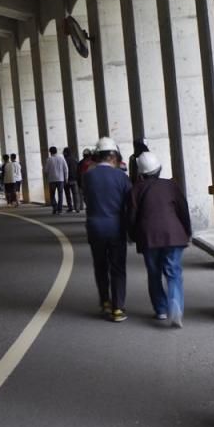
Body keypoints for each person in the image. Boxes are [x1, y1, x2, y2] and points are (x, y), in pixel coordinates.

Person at [127, 151, 192, 328]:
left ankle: (161, 310)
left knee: (154, 273)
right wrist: (187, 231)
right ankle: (175, 306)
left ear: (140, 173)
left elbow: (131, 216)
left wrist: (132, 235)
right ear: (160, 169)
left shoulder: (136, 189)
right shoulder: (171, 186)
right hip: (173, 235)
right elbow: (182, 210)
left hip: (149, 238)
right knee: (174, 272)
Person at [81, 137, 132, 323]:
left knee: (100, 266)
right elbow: (129, 204)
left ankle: (105, 302)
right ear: (113, 156)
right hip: (116, 227)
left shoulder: (88, 176)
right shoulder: (122, 177)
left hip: (95, 227)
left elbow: (87, 198)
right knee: (118, 267)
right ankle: (118, 308)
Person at [44, 146, 68, 214]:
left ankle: (55, 207)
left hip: (52, 180)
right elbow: (66, 168)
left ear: (50, 152)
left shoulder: (49, 159)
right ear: (56, 151)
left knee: (52, 194)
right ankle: (60, 209)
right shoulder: (61, 158)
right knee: (60, 194)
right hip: (60, 179)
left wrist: (46, 177)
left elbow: (46, 170)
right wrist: (66, 178)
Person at [62, 147, 82, 213]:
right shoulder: (75, 160)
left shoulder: (64, 160)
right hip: (74, 179)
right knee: (76, 194)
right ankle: (77, 208)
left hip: (67, 179)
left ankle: (70, 207)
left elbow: (63, 170)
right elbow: (78, 170)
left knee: (68, 194)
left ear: (65, 153)